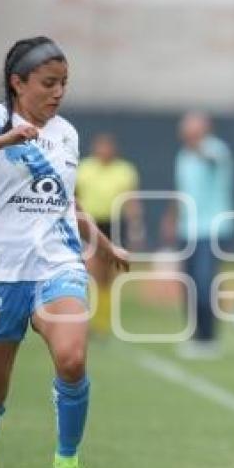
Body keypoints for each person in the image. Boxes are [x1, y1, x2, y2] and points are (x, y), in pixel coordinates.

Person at [0, 36, 129, 468]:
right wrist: (3, 141)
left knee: (72, 359)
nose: (58, 93)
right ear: (17, 82)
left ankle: (67, 462)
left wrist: (104, 244)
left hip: (56, 264)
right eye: (48, 83)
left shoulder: (66, 134)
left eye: (64, 84)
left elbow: (63, 198)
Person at [162, 112, 234, 358]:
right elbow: (181, 190)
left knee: (204, 282)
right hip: (187, 229)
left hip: (211, 229)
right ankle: (195, 335)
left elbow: (211, 161)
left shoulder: (217, 149)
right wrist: (171, 218)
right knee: (189, 285)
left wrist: (197, 144)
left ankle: (209, 337)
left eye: (191, 129)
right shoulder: (182, 155)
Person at [75, 133, 144, 335]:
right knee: (92, 272)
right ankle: (91, 318)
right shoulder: (85, 169)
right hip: (91, 223)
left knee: (108, 275)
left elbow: (132, 202)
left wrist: (136, 229)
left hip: (114, 223)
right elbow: (74, 198)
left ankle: (102, 322)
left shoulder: (124, 170)